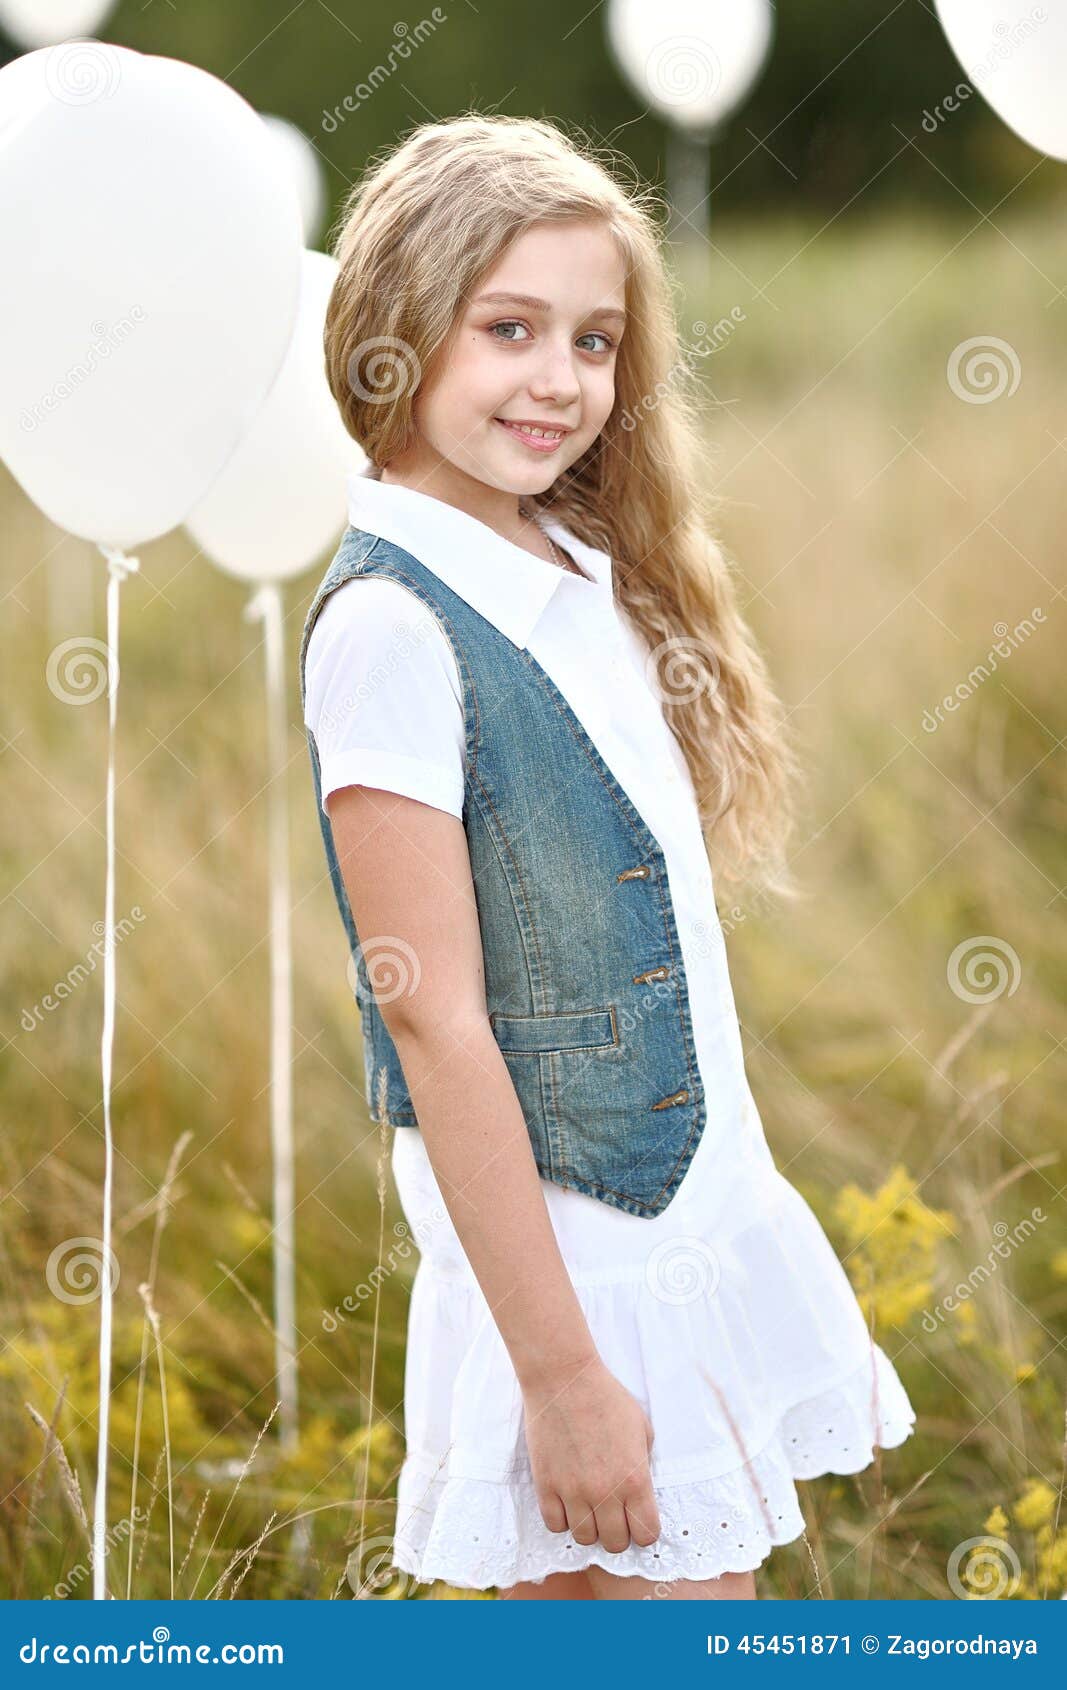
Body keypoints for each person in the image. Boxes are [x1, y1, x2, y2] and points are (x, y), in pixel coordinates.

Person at [299, 112, 916, 1600]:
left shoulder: (572, 569)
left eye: (595, 340)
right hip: (573, 1268)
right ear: (398, 329)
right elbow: (433, 1013)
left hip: (686, 1210)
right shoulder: (394, 625)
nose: (561, 380)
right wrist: (563, 1375)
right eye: (509, 329)